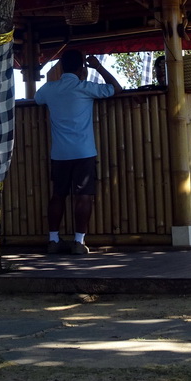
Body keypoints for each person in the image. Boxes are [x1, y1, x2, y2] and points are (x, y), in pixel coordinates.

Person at [34, 49, 122, 255]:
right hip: (84, 152)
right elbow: (116, 88)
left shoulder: (49, 89)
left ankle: (53, 241)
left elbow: (37, 99)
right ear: (82, 68)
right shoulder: (86, 88)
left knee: (58, 196)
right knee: (83, 197)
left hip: (59, 153)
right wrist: (98, 67)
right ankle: (78, 242)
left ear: (61, 67)